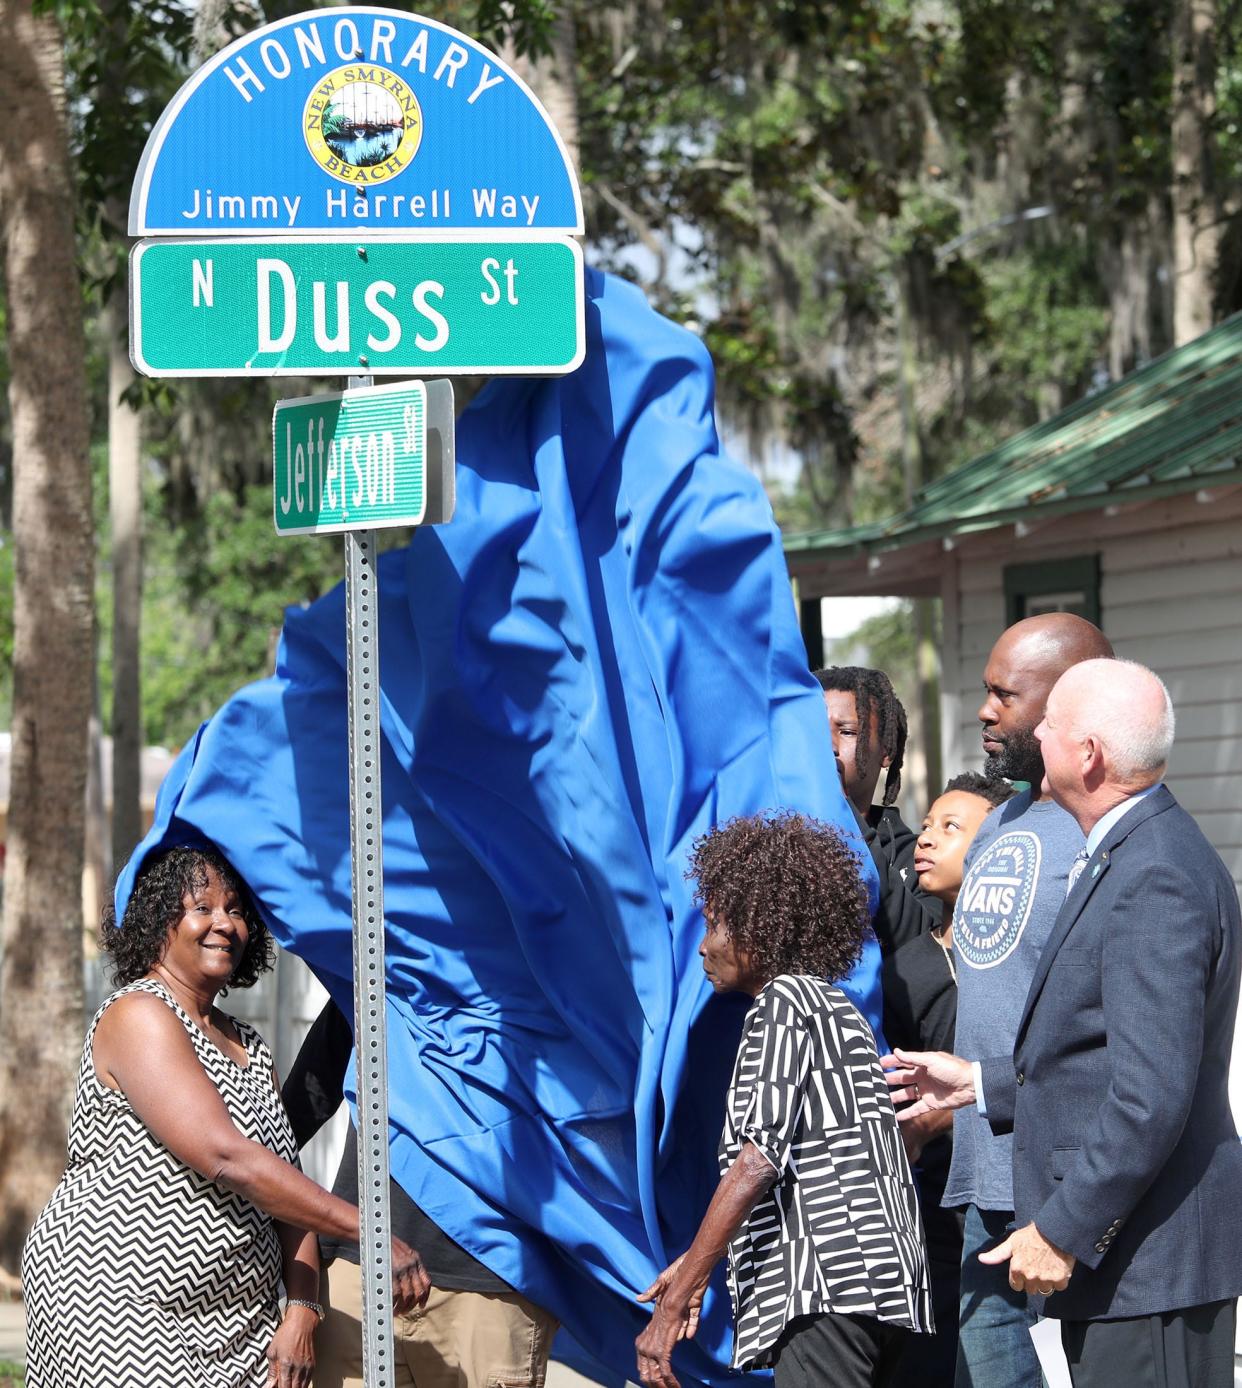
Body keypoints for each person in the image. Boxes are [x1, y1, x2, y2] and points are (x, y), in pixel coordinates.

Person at [886, 658, 1242, 1388]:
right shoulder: (1127, 849)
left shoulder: (1156, 873)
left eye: (1050, 724)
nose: (1033, 733)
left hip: (1153, 1266)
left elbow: (1150, 1096)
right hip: (1136, 1266)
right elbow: (1103, 1060)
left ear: (1088, 755)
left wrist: (1062, 1228)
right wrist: (980, 1084)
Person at [21, 845, 430, 1388]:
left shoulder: (249, 1043)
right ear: (158, 922)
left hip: (238, 1321)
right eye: (202, 908)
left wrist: (303, 1309)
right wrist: (370, 1231)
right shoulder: (140, 1013)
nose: (224, 924)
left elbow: (285, 1185)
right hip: (120, 1299)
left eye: (235, 910)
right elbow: (227, 1157)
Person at [633, 811, 932, 1388]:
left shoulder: (783, 1004)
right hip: (881, 1289)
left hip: (826, 1288)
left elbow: (758, 1161)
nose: (702, 948)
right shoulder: (832, 1004)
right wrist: (696, 1265)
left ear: (755, 928)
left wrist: (678, 1297)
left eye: (714, 925)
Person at [941, 612, 1113, 1388]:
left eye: (1004, 695)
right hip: (985, 1169)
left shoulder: (1104, 836)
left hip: (1065, 1180)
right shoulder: (1000, 819)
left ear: (1066, 703)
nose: (986, 711)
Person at [282, 998, 558, 1388]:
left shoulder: (527, 966)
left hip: (489, 1281)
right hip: (357, 1271)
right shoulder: (373, 964)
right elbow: (289, 1120)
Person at [882, 772, 1014, 1387]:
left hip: (1013, 1209)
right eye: (926, 825)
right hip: (926, 1218)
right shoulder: (903, 968)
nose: (925, 840)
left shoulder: (1025, 958)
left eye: (951, 828)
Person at [815, 666, 938, 953]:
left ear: (886, 751)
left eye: (846, 731)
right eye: (814, 730)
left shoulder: (918, 857)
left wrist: (842, 811)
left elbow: (921, 947)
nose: (827, 745)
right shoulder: (765, 832)